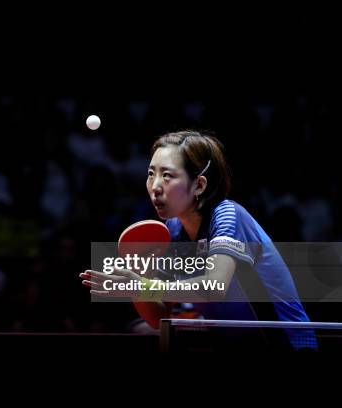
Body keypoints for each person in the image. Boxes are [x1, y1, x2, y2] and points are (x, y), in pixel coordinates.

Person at [80, 131, 317, 351]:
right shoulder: (173, 230)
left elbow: (214, 287)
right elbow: (157, 317)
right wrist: (135, 285)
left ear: (199, 184)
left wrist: (146, 286)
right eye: (151, 174)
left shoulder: (227, 216)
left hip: (286, 346)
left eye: (167, 175)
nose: (155, 186)